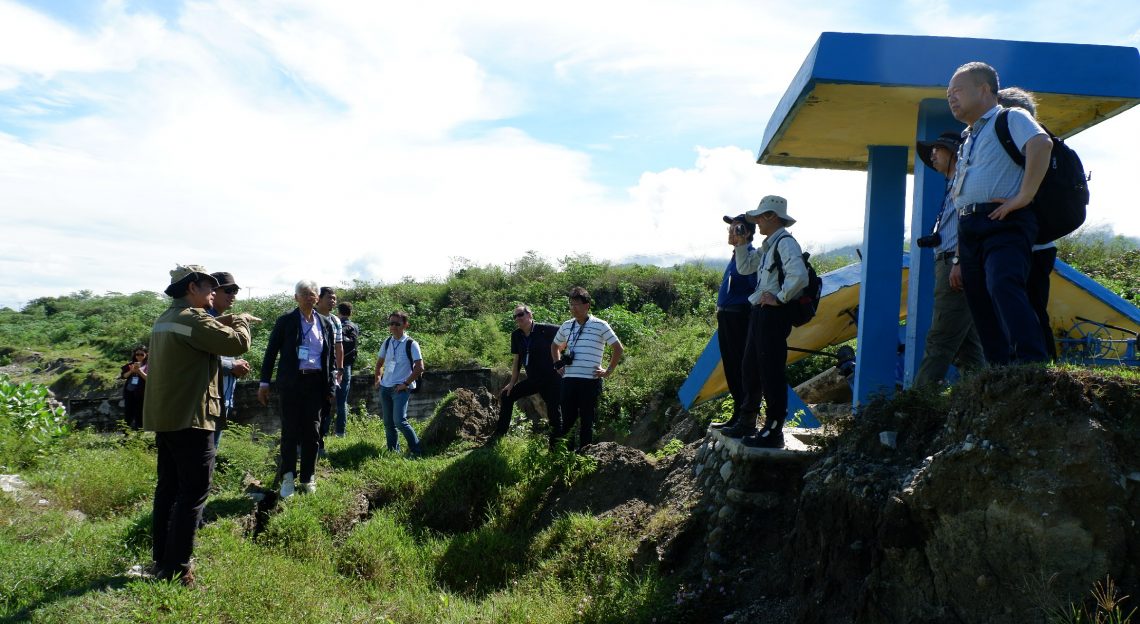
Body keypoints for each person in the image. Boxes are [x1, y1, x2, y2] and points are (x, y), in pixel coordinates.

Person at [143, 265, 255, 585]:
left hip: (166, 417)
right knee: (194, 491)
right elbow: (236, 345)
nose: (212, 292)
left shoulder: (165, 319)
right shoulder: (192, 318)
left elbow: (202, 340)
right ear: (192, 288)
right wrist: (243, 323)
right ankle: (178, 568)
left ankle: (162, 559)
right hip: (191, 418)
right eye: (209, 286)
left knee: (168, 489)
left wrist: (222, 322)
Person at [946, 62, 1050, 364]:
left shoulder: (1010, 116)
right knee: (978, 299)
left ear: (983, 89)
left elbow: (1040, 144)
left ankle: (1031, 363)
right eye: (948, 93)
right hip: (969, 226)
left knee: (1003, 284)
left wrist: (1024, 195)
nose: (951, 98)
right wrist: (956, 256)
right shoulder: (968, 135)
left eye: (957, 91)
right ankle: (1000, 369)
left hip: (1003, 219)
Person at [722, 195, 805, 449]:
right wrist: (740, 243)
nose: (756, 221)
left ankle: (773, 429)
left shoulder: (786, 244)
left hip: (772, 314)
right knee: (751, 368)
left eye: (759, 216)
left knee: (770, 371)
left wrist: (780, 298)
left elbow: (798, 276)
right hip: (760, 311)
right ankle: (748, 422)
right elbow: (746, 267)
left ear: (771, 216)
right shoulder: (769, 246)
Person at [913, 132, 986, 387]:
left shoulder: (963, 182)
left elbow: (967, 225)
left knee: (940, 339)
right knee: (969, 346)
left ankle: (916, 404)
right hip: (950, 262)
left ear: (954, 152)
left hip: (954, 265)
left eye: (937, 150)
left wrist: (958, 262)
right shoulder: (953, 184)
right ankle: (980, 399)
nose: (932, 155)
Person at [258, 280, 337, 498]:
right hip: (291, 383)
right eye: (304, 294)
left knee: (313, 431)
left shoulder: (325, 323)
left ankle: (308, 476)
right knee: (290, 431)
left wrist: (331, 386)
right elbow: (271, 352)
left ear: (317, 298)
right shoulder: (286, 322)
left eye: (312, 294)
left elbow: (329, 359)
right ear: (296, 297)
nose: (308, 297)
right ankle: (288, 477)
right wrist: (264, 382)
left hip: (315, 384)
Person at [998, 86, 1058, 360]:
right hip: (1041, 242)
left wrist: (1020, 198)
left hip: (1027, 242)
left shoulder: (1028, 145)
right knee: (1030, 308)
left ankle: (1038, 368)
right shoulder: (1040, 143)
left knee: (1026, 308)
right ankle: (1037, 366)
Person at [550, 287, 623, 451]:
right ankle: (565, 457)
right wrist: (557, 363)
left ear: (587, 305)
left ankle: (584, 457)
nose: (573, 308)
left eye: (577, 304)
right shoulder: (567, 325)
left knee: (586, 421)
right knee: (567, 420)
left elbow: (618, 348)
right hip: (569, 379)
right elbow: (555, 345)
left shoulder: (600, 325)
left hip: (590, 381)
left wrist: (608, 371)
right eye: (571, 304)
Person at [709, 214, 758, 431]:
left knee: (741, 366)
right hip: (727, 316)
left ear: (746, 232)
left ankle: (745, 417)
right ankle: (737, 413)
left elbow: (754, 286)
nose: (730, 233)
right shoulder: (735, 256)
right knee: (731, 366)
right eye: (730, 230)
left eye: (735, 229)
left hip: (739, 316)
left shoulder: (751, 257)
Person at [495, 305, 562, 445]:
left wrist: (561, 360)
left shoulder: (546, 329)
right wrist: (512, 382)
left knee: (554, 413)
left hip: (551, 379)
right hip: (533, 379)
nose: (517, 318)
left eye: (520, 314)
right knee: (507, 395)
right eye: (515, 316)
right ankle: (499, 435)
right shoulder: (516, 335)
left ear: (529, 315)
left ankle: (555, 447)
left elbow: (566, 336)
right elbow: (518, 359)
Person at [207, 272, 252, 448]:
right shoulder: (204, 320)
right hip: (207, 401)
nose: (232, 295)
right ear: (212, 291)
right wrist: (231, 365)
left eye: (235, 291)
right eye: (228, 290)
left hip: (221, 398)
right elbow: (197, 358)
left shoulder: (224, 320)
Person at [372, 311, 424, 456]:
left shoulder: (411, 344)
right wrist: (378, 379)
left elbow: (420, 367)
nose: (393, 326)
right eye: (391, 323)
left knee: (400, 421)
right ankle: (393, 452)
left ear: (405, 325)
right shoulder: (387, 342)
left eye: (397, 323)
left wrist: (406, 384)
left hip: (400, 389)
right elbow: (378, 364)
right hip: (385, 387)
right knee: (388, 423)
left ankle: (416, 451)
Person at [315, 287, 344, 457]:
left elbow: (339, 346)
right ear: (319, 299)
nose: (333, 301)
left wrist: (339, 369)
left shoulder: (335, 321)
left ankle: (320, 442)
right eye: (329, 298)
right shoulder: (310, 317)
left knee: (326, 405)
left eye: (334, 298)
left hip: (330, 370)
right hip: (311, 370)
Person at [334, 301, 360, 437]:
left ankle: (324, 431)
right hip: (347, 366)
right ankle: (340, 432)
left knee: (328, 399)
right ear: (351, 312)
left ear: (339, 312)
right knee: (342, 401)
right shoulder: (355, 327)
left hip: (335, 366)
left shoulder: (337, 325)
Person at [120, 345, 148, 431]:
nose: (139, 356)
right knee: (128, 412)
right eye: (137, 354)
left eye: (141, 354)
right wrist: (131, 371)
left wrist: (139, 371)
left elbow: (149, 379)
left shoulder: (149, 365)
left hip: (142, 393)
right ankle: (126, 433)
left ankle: (140, 432)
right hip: (130, 392)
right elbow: (123, 376)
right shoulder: (130, 365)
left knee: (140, 413)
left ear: (146, 354)